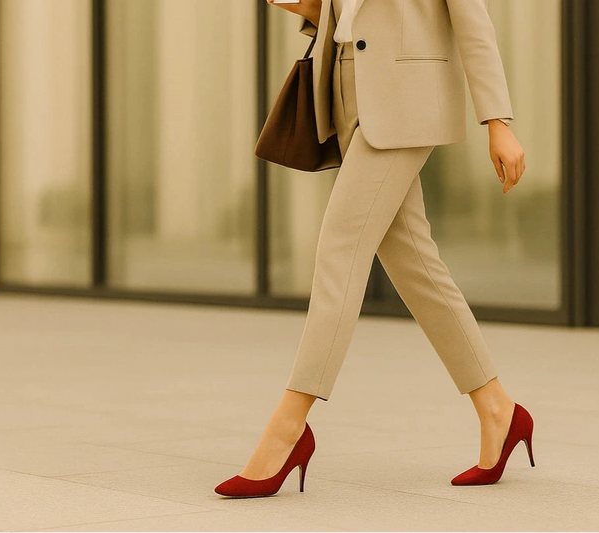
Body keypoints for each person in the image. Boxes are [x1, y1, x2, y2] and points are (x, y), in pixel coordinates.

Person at [215, 0, 534, 498]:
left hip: (407, 97)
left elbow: (473, 21)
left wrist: (497, 118)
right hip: (347, 92)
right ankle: (498, 408)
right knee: (412, 261)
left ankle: (289, 426)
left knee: (340, 248)